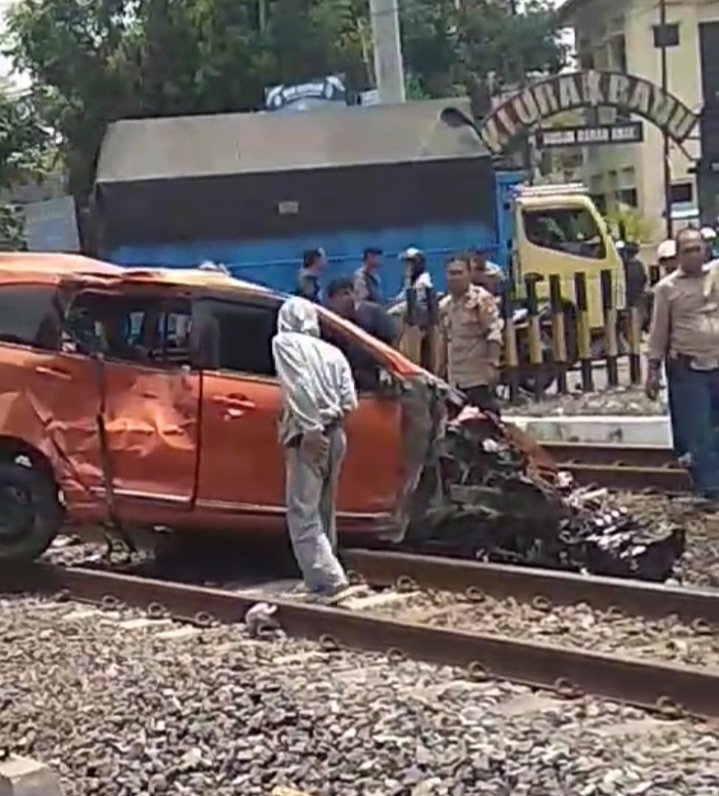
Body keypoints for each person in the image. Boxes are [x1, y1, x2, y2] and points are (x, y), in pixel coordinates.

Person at [271, 297, 358, 600]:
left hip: (309, 433)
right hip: (338, 433)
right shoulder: (333, 352)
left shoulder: (285, 343)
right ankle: (317, 576)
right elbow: (349, 400)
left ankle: (328, 578)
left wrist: (311, 429)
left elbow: (299, 385)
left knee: (303, 511)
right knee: (324, 509)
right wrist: (330, 424)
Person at [646, 227, 719, 502]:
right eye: (687, 250)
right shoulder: (666, 289)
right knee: (699, 430)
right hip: (689, 367)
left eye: (697, 248)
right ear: (678, 255)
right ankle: (710, 489)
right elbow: (658, 332)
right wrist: (652, 371)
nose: (693, 255)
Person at [439, 256, 504, 414]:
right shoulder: (445, 305)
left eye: (459, 272)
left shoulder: (481, 300)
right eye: (451, 273)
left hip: (477, 378)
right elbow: (444, 340)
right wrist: (439, 371)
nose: (455, 277)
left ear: (469, 274)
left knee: (488, 423)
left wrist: (492, 365)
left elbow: (494, 334)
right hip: (455, 380)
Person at [399, 247, 439, 370]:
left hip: (421, 326)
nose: (407, 266)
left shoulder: (423, 283)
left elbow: (414, 304)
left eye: (410, 263)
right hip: (416, 324)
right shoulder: (411, 281)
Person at [325, 276, 397, 346]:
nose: (350, 297)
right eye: (344, 294)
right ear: (331, 301)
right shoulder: (327, 326)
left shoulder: (373, 314)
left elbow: (391, 341)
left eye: (351, 293)